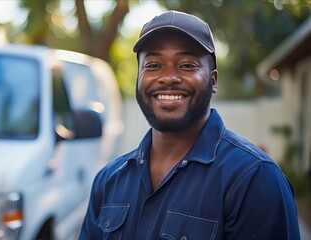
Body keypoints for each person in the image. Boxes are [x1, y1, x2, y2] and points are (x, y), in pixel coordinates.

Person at [79, 10, 300, 239]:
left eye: (186, 65)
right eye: (153, 65)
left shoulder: (254, 179)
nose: (168, 77)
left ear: (213, 81)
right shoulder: (109, 181)